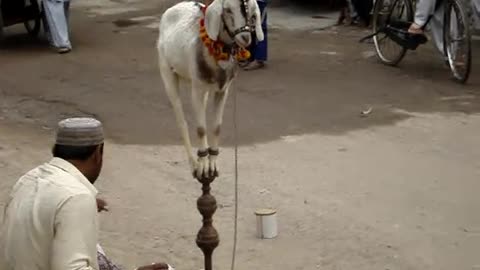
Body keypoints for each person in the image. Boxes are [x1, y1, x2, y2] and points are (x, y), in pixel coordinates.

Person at [0, 117, 168, 270]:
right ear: (97, 154)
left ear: (56, 150)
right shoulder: (76, 197)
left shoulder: (26, 180)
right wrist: (79, 205)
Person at [243, 0, 267, 70]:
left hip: (260, 2)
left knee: (260, 27)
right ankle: (251, 56)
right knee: (250, 27)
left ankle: (259, 59)